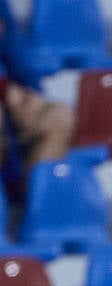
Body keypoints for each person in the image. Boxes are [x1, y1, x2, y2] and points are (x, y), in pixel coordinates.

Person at [0, 0, 73, 205]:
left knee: (58, 117)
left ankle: (34, 212)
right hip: (6, 99)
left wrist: (31, 93)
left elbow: (14, 51)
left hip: (12, 100)